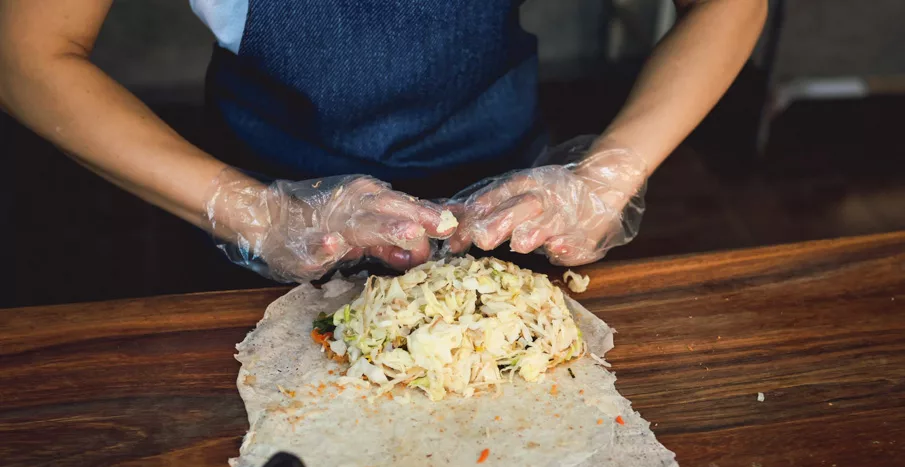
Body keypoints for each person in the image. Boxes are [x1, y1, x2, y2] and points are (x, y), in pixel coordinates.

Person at [0, 0, 766, 282]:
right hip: (263, 216)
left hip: (509, 216)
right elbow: (27, 55)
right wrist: (262, 217)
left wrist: (604, 178)